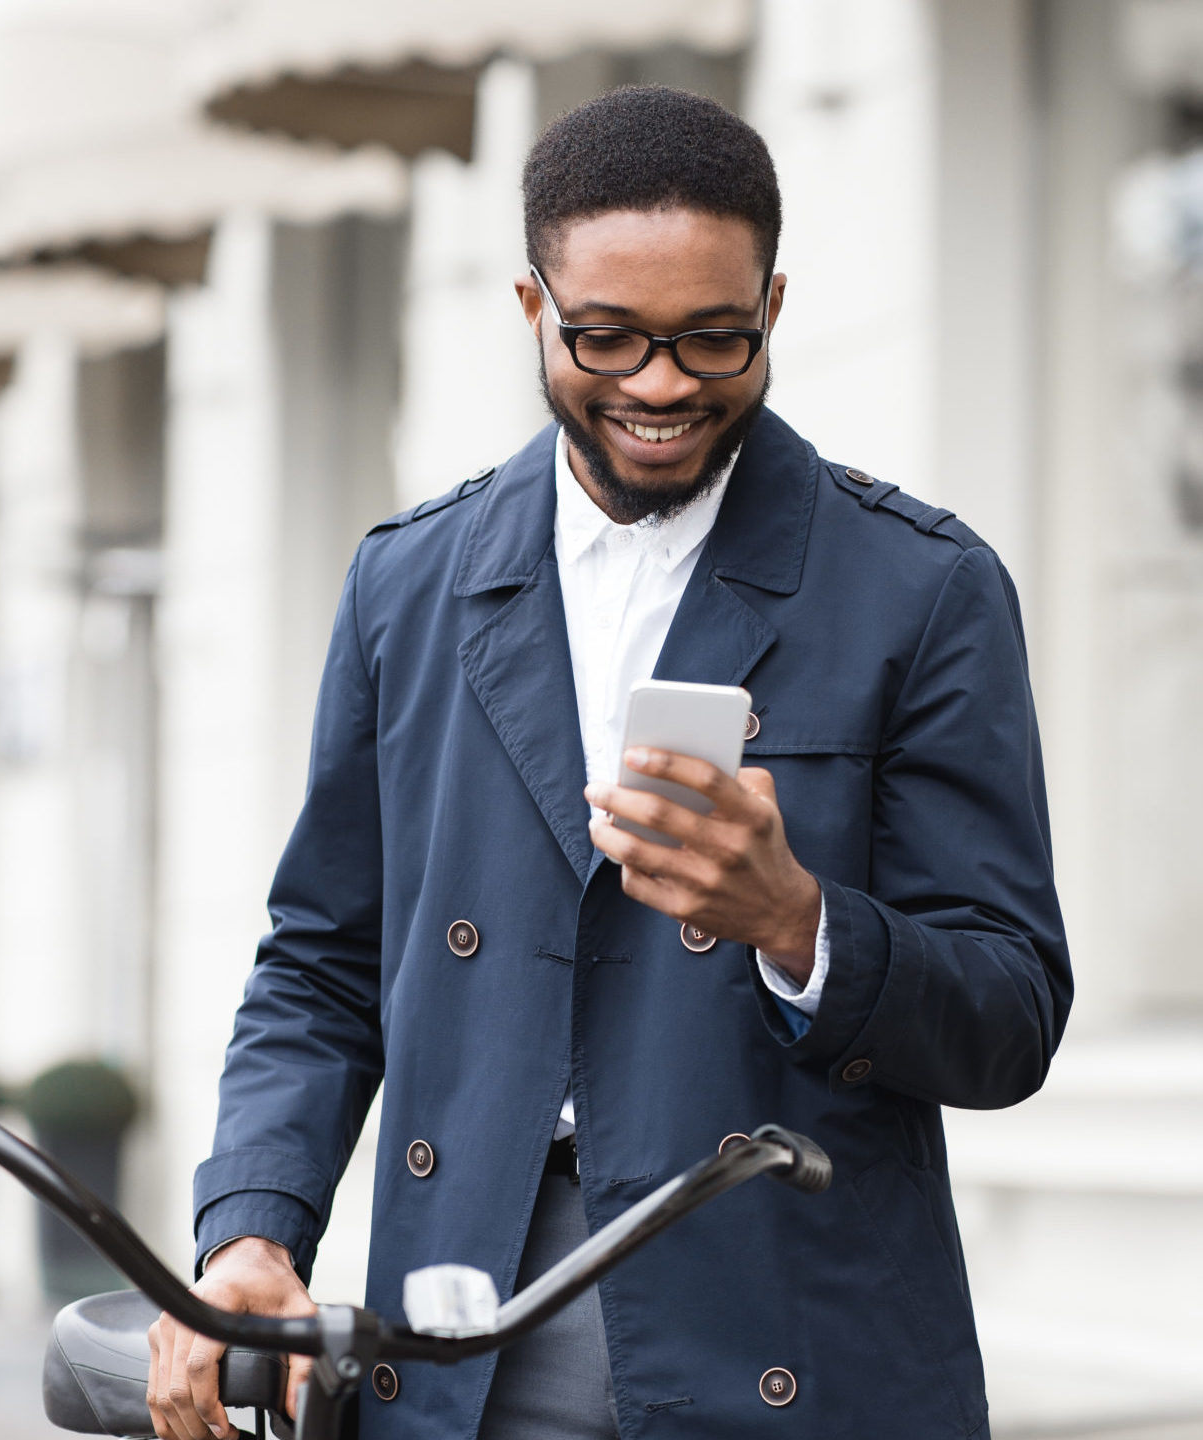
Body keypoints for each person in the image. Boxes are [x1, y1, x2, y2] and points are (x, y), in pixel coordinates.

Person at [147, 85, 1071, 1440]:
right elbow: (322, 961)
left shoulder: (917, 588)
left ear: (772, 306)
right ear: (531, 309)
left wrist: (798, 923)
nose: (658, 386)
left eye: (713, 340)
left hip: (782, 1318)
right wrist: (251, 1230)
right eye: (607, 338)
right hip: (468, 1320)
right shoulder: (409, 583)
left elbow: (1009, 1013)